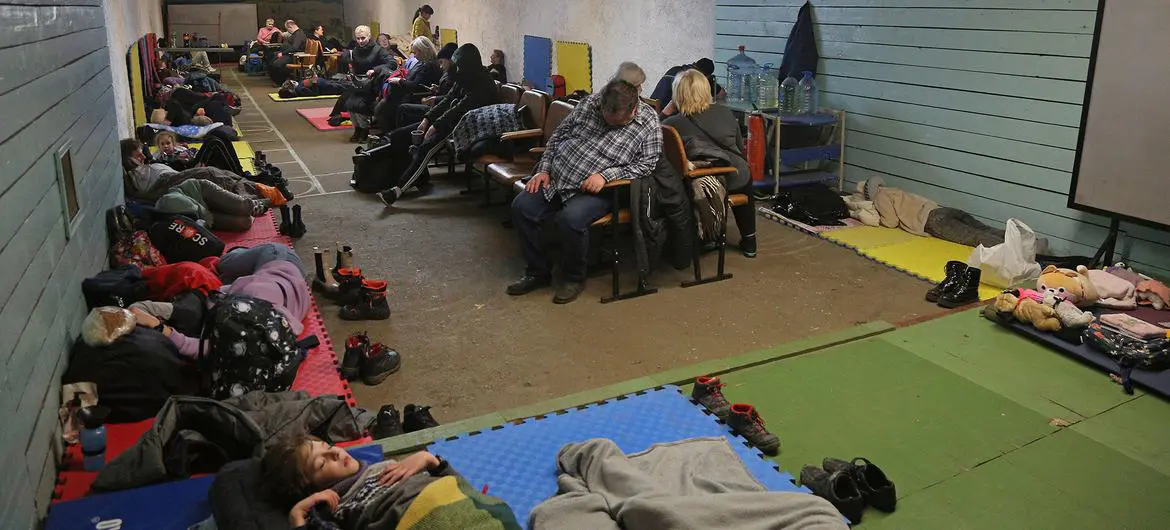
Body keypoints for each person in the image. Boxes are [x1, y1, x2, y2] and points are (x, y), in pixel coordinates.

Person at [507, 79, 662, 304]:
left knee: (571, 219)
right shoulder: (590, 104)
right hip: (558, 178)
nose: (608, 123)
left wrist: (605, 176)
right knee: (522, 207)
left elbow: (647, 165)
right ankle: (537, 272)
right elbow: (558, 137)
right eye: (605, 117)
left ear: (632, 110)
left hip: (600, 189)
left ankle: (573, 277)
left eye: (616, 122)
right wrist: (544, 169)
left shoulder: (648, 122)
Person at [259, 434, 519, 529]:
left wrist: (432, 462)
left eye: (328, 445)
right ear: (312, 488)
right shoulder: (334, 509)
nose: (336, 452)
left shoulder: (384, 466)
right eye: (322, 463)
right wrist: (298, 517)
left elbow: (465, 493)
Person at [128, 244, 308, 358]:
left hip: (280, 271)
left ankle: (236, 253)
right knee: (225, 263)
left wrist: (161, 327)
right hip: (279, 259)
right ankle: (238, 252)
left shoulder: (250, 332)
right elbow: (216, 295)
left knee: (224, 266)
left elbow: (200, 346)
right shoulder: (275, 327)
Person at [375, 43, 499, 203]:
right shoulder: (464, 77)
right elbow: (448, 100)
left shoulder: (482, 83)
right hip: (455, 121)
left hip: (469, 127)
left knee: (425, 148)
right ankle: (409, 175)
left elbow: (461, 108)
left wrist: (435, 125)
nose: (450, 68)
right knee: (399, 135)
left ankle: (399, 189)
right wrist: (427, 119)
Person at [662, 69, 757, 257]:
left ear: (677, 93)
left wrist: (667, 110)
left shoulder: (671, 123)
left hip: (699, 183)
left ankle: (706, 235)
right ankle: (749, 240)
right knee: (745, 178)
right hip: (734, 177)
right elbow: (739, 147)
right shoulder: (725, 113)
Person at [848, 177, 1034, 250]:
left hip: (932, 221)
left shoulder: (881, 198)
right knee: (982, 228)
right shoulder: (895, 190)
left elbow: (890, 221)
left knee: (975, 237)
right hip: (941, 210)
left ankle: (1024, 249)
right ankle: (1027, 238)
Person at [328, 25, 392, 142]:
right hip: (358, 84)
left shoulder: (378, 50)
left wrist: (375, 70)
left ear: (369, 36)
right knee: (348, 102)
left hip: (373, 86)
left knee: (359, 104)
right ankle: (357, 129)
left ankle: (364, 129)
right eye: (358, 38)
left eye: (363, 38)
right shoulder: (355, 50)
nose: (360, 41)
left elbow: (392, 63)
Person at [372, 36, 442, 131]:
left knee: (382, 108)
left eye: (415, 52)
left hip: (415, 97)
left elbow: (416, 86)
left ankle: (390, 134)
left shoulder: (427, 66)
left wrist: (400, 81)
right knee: (381, 104)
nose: (414, 55)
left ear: (423, 51)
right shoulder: (424, 63)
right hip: (410, 93)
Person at [653, 58, 726, 117]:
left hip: (653, 106)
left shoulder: (675, 69)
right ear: (706, 76)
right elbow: (721, 95)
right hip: (667, 112)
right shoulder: (696, 79)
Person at [270, 20, 307, 85]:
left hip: (294, 56)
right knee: (271, 59)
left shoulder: (299, 34)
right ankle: (279, 80)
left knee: (277, 64)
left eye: (287, 29)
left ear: (290, 27)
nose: (288, 31)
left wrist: (283, 53)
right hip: (290, 54)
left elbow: (295, 48)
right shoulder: (296, 33)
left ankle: (280, 82)